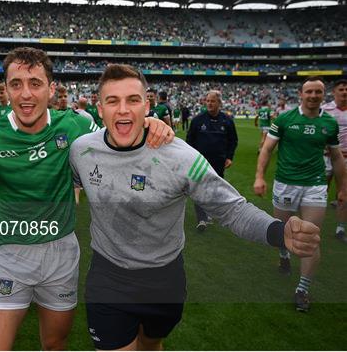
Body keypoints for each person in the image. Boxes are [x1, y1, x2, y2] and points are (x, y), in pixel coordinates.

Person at [0, 47, 172, 351]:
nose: (25, 94)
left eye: (35, 83)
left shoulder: (74, 124)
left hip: (61, 253)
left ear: (51, 89)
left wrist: (150, 125)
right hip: (10, 254)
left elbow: (119, 138)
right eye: (16, 84)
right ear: (6, 90)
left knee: (54, 344)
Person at [69, 64, 321, 351]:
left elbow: (231, 209)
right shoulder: (81, 151)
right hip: (108, 275)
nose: (123, 110)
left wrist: (278, 231)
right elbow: (64, 183)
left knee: (152, 345)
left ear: (147, 105)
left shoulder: (182, 157)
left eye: (133, 100)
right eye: (112, 101)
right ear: (100, 109)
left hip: (164, 278)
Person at [254, 76, 346, 312]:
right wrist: (259, 176)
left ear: (323, 94)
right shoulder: (285, 119)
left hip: (315, 184)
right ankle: (284, 254)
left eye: (318, 92)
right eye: (309, 92)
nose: (313, 96)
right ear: (301, 94)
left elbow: (336, 157)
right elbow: (267, 148)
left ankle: (302, 289)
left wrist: (343, 187)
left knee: (310, 237)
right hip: (285, 183)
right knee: (283, 229)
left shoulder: (329, 123)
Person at [186, 90, 238, 231]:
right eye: (207, 101)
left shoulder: (227, 120)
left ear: (219, 103)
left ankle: (210, 212)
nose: (209, 103)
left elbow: (233, 140)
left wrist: (229, 157)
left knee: (214, 189)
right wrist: (191, 158)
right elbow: (189, 140)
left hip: (219, 161)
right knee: (198, 188)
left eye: (212, 101)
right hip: (200, 162)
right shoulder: (198, 120)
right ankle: (202, 218)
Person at [321, 78, 347, 241]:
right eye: (341, 89)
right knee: (318, 193)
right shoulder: (325, 109)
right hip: (325, 157)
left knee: (343, 194)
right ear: (334, 92)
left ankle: (340, 229)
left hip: (345, 158)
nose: (345, 92)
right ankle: (313, 225)